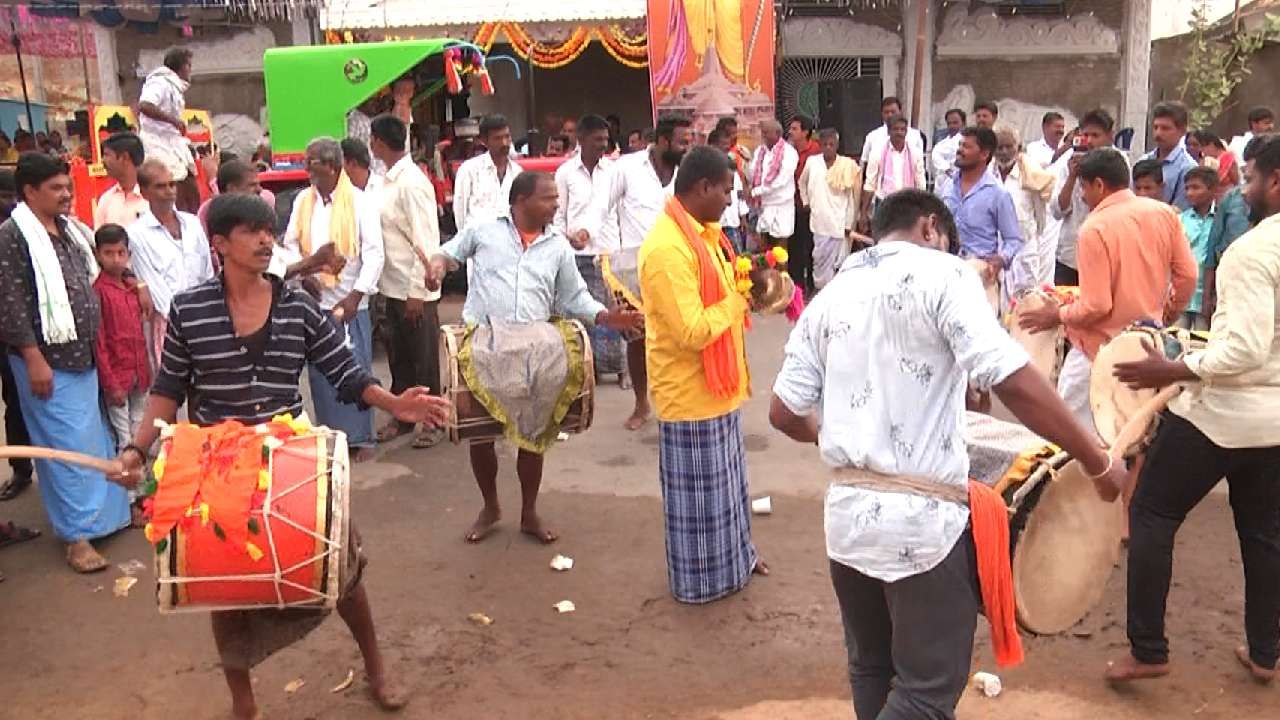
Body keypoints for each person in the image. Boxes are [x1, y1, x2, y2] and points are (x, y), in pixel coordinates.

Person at [769, 188, 1125, 720]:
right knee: (926, 692)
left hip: (847, 522)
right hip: (921, 527)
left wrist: (850, 441)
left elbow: (783, 412)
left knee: (873, 669)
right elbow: (1012, 379)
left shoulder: (830, 293)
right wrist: (1096, 460)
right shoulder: (944, 274)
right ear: (931, 227)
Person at [112, 192, 450, 719]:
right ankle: (242, 702)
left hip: (288, 458)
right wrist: (137, 447)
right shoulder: (190, 308)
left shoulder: (298, 306)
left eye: (269, 230)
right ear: (220, 243)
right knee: (222, 590)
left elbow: (346, 372)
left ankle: (377, 668)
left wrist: (394, 403)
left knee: (343, 565)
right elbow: (167, 389)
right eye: (252, 231)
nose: (267, 240)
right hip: (217, 468)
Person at [1106, 133, 1280, 688]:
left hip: (1221, 412)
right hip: (1274, 421)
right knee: (1263, 534)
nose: (1244, 187)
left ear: (1275, 181)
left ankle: (1148, 650)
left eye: (1250, 177)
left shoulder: (1252, 252)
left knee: (1153, 513)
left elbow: (1244, 350)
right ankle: (1265, 652)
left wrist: (1174, 369)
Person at [425, 173, 640, 544]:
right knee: (481, 436)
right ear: (521, 200)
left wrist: (608, 317)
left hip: (536, 347)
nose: (557, 205)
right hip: (485, 342)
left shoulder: (558, 246)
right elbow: (448, 253)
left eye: (556, 198)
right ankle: (490, 507)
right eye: (549, 198)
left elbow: (575, 297)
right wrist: (437, 267)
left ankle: (529, 512)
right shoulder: (483, 230)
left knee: (534, 433)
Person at [636, 145, 767, 603]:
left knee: (727, 494)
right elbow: (692, 330)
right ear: (703, 187)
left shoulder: (704, 235)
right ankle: (703, 585)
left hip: (718, 390)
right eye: (726, 190)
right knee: (700, 506)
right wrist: (736, 303)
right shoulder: (667, 249)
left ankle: (736, 562)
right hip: (690, 398)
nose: (730, 200)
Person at [0, 152, 131, 572]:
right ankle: (77, 539)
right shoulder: (13, 236)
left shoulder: (71, 230)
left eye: (67, 187)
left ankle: (105, 520)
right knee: (62, 450)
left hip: (84, 355)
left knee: (92, 440)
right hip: (46, 360)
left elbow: (100, 273)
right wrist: (33, 357)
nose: (66, 194)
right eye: (56, 188)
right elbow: (11, 304)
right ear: (30, 192)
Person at [1019, 149, 1198, 431]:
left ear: (1099, 185)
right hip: (1145, 348)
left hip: (1097, 353)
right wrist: (1166, 315)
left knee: (1071, 440)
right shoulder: (1164, 213)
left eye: (1083, 187)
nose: (1081, 196)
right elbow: (1188, 276)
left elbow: (1096, 306)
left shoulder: (1094, 228)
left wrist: (1057, 315)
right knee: (1131, 437)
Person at [279, 138, 384, 462]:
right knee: (322, 377)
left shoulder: (360, 201)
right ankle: (334, 440)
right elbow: (291, 244)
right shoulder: (302, 201)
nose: (308, 168)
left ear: (333, 167)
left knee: (355, 367)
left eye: (313, 163)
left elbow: (374, 254)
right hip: (315, 302)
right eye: (307, 161)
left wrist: (355, 297)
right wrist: (305, 274)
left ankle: (362, 438)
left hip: (352, 302)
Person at [602, 116, 692, 431]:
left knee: (680, 337)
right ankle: (641, 405)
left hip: (678, 266)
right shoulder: (626, 168)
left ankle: (676, 402)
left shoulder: (687, 172)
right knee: (637, 338)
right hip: (632, 269)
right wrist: (614, 258)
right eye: (682, 141)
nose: (686, 146)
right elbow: (603, 209)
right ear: (664, 141)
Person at [364, 114, 447, 451]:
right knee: (399, 360)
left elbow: (425, 238)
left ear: (380, 143)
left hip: (414, 290)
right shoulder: (386, 181)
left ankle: (433, 421)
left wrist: (416, 292)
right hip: (391, 285)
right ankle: (403, 416)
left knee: (423, 360)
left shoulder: (412, 182)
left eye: (373, 140)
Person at [554, 114, 625, 381]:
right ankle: (588, 369)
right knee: (582, 314)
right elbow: (558, 215)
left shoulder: (615, 172)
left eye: (605, 140)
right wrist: (567, 238)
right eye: (597, 140)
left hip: (608, 251)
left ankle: (619, 369)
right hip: (577, 254)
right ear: (581, 140)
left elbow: (618, 212)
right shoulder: (565, 173)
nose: (602, 145)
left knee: (613, 311)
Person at [127, 159, 214, 373]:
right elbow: (155, 288)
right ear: (145, 192)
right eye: (160, 186)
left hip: (205, 316)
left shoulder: (192, 223)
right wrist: (186, 321)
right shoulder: (137, 234)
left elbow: (207, 273)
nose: (169, 191)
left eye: (171, 184)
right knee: (172, 392)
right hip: (168, 324)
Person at [942, 127, 1024, 310]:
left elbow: (1014, 240)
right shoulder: (947, 186)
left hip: (980, 278)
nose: (960, 150)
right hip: (946, 274)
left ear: (984, 154)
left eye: (967, 146)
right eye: (960, 145)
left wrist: (1000, 260)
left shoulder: (998, 194)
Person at [92, 224, 150, 456]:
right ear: (97, 254)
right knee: (123, 436)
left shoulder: (131, 288)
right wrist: (110, 383)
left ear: (128, 254)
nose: (116, 259)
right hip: (117, 376)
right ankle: (126, 489)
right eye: (108, 253)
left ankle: (140, 482)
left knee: (139, 429)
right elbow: (100, 343)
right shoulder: (98, 292)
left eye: (121, 253)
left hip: (138, 372)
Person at [1051, 108, 1124, 286]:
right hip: (1070, 255)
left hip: (1106, 252)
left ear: (1110, 136)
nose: (1090, 141)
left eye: (1096, 135)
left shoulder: (1119, 162)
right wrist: (1072, 176)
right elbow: (1057, 211)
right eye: (1086, 135)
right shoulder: (1069, 161)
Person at [0, 169, 32, 502]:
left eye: (13, 196)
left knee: (22, 403)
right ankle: (21, 469)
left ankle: (26, 469)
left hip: (20, 333)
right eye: (3, 197)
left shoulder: (23, 232)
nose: (9, 203)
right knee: (15, 404)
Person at [993, 124, 1055, 293]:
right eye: (999, 147)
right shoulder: (988, 175)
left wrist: (1033, 239)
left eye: (1009, 146)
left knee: (1025, 300)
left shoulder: (1030, 175)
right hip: (996, 250)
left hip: (1025, 248)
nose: (1004, 152)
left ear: (1018, 148)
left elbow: (1041, 214)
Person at [799, 128, 862, 290]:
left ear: (837, 146)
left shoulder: (847, 165)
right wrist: (805, 201)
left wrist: (850, 223)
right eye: (825, 144)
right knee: (819, 259)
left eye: (831, 144)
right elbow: (802, 182)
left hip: (840, 220)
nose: (828, 147)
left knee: (839, 262)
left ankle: (835, 293)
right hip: (819, 221)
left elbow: (851, 198)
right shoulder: (812, 162)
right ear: (819, 145)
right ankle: (821, 291)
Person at [138, 48, 199, 212]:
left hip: (174, 143)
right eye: (189, 65)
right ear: (182, 66)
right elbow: (145, 105)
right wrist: (173, 120)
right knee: (174, 184)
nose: (190, 70)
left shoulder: (174, 86)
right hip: (158, 143)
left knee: (189, 183)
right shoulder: (160, 82)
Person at [453, 114, 523, 232]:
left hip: (510, 243)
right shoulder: (469, 170)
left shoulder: (517, 172)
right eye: (498, 138)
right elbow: (460, 212)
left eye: (507, 137)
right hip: (477, 243)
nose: (504, 143)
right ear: (484, 141)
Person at [860, 115, 927, 234]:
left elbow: (921, 183)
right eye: (896, 129)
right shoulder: (877, 152)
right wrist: (863, 213)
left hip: (909, 203)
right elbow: (870, 184)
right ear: (889, 131)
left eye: (903, 129)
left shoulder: (915, 153)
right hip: (884, 203)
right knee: (884, 240)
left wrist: (923, 209)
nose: (899, 133)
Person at [1175, 167, 1221, 331]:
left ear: (1213, 190)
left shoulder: (1220, 219)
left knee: (1203, 342)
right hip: (1181, 295)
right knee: (1175, 341)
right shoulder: (1180, 220)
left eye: (1196, 187)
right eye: (1187, 188)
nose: (1189, 193)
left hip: (1208, 296)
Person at [750, 118, 800, 249]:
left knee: (780, 251)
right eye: (762, 132)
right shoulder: (759, 152)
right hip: (764, 207)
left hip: (782, 207)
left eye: (766, 132)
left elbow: (780, 181)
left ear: (777, 134)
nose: (763, 136)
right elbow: (752, 173)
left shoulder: (789, 152)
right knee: (764, 251)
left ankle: (782, 271)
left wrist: (756, 192)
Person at [786, 116, 821, 294]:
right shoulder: (787, 151)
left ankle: (811, 286)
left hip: (810, 207)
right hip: (791, 207)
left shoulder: (816, 151)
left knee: (810, 247)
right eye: (790, 129)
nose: (791, 132)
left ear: (805, 132)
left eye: (795, 129)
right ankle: (797, 288)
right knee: (794, 249)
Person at [1140, 101, 1197, 210]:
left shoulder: (1187, 168)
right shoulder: (1143, 161)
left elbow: (1180, 210)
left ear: (1182, 131)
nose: (1158, 134)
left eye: (1165, 128)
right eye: (1156, 127)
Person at [197, 159, 263, 240]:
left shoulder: (260, 207)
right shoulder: (207, 211)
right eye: (252, 185)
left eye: (259, 184)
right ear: (232, 188)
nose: (260, 189)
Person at [94, 132, 148, 229]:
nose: (102, 161)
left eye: (107, 155)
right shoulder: (106, 200)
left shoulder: (153, 197)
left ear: (124, 157)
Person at [708, 128, 749, 253]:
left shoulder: (731, 166)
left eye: (728, 147)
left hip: (732, 223)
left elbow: (739, 193)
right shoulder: (705, 168)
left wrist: (743, 217)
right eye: (722, 147)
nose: (726, 150)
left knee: (737, 260)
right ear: (712, 145)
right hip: (713, 224)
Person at [860, 97, 926, 168]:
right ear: (882, 114)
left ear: (900, 112)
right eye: (886, 112)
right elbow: (865, 162)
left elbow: (919, 163)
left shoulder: (914, 135)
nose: (890, 115)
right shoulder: (872, 136)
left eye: (893, 112)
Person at [930, 109, 966, 181]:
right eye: (949, 123)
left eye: (955, 123)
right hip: (942, 182)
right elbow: (935, 157)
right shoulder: (940, 144)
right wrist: (946, 168)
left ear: (963, 123)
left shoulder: (967, 141)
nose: (952, 126)